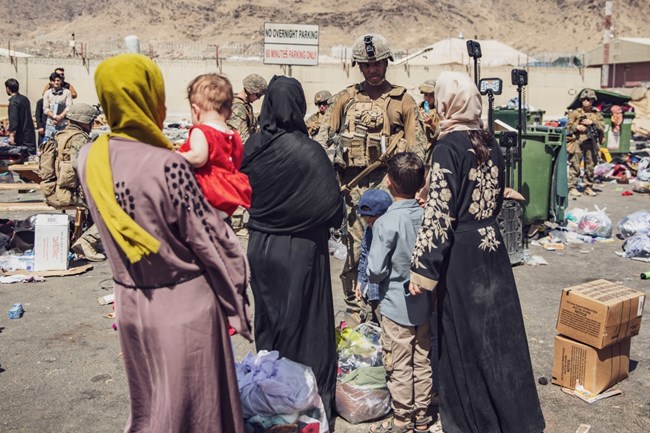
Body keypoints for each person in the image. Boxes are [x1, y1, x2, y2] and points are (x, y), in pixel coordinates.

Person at [77, 53, 251, 433]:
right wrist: (237, 296)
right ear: (150, 97)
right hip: (183, 307)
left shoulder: (89, 158)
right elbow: (212, 241)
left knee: (152, 407)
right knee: (198, 414)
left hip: (131, 304)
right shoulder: (166, 164)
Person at [408, 72, 545, 433]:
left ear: (446, 102)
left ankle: (474, 422)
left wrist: (422, 270)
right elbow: (494, 195)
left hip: (463, 255)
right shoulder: (490, 141)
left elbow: (439, 214)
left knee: (464, 340)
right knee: (499, 337)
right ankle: (516, 418)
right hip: (493, 247)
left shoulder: (446, 147)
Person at [240, 75, 344, 424]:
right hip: (301, 251)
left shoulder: (251, 147)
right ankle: (308, 403)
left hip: (261, 248)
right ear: (299, 106)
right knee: (307, 323)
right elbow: (332, 210)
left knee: (271, 322)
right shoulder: (308, 150)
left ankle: (272, 401)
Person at [327, 33, 425, 325]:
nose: (372, 70)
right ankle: (356, 308)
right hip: (354, 189)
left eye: (378, 63)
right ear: (358, 66)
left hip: (391, 188)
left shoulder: (403, 101)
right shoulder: (345, 99)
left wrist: (411, 188)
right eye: (366, 65)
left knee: (393, 249)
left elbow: (417, 148)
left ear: (386, 63)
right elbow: (324, 140)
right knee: (356, 249)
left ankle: (388, 309)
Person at [367, 152, 432, 433]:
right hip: (426, 303)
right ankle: (423, 416)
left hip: (395, 306)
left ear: (389, 182)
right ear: (421, 183)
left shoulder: (385, 223)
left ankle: (403, 419)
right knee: (423, 358)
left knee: (399, 363)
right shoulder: (429, 216)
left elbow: (376, 269)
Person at [177, 73, 251, 218]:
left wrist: (175, 156)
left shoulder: (202, 131)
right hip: (227, 196)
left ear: (195, 111)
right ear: (229, 113)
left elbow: (198, 157)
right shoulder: (233, 135)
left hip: (207, 194)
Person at [38, 103, 105, 261]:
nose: (91, 125)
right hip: (68, 194)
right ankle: (87, 242)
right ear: (83, 121)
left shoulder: (60, 134)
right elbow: (81, 168)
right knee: (115, 207)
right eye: (91, 121)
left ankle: (92, 240)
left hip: (53, 190)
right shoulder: (79, 139)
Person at [354, 189, 393, 322]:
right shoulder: (369, 230)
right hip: (369, 290)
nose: (370, 224)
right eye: (367, 221)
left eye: (373, 220)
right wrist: (360, 281)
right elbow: (364, 254)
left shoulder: (391, 231)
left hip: (385, 294)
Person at [566, 89, 604, 197]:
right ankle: (572, 187)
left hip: (591, 142)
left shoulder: (596, 114)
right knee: (575, 165)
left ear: (592, 101)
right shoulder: (576, 113)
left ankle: (588, 186)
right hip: (578, 141)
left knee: (590, 165)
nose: (585, 101)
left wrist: (592, 122)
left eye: (588, 99)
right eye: (583, 99)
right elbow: (567, 126)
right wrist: (577, 127)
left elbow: (602, 127)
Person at [227, 73, 268, 144]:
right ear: (250, 91)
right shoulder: (238, 108)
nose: (258, 98)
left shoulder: (246, 105)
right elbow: (243, 138)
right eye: (258, 95)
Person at [5, 78, 36, 155]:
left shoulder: (13, 102)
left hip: (21, 138)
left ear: (8, 89)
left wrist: (11, 135)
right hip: (29, 135)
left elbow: (14, 123)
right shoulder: (24, 99)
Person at [42, 72, 73, 140]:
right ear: (51, 82)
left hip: (63, 124)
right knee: (48, 146)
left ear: (61, 81)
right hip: (51, 125)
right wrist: (55, 116)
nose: (56, 82)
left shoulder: (67, 92)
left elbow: (69, 107)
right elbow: (45, 109)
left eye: (58, 80)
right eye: (54, 81)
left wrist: (60, 117)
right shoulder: (47, 93)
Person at [418, 79, 441, 159]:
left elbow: (440, 133)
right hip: (419, 149)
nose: (427, 98)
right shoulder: (418, 109)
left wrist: (431, 124)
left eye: (431, 95)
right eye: (425, 95)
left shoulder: (440, 111)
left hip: (432, 151)